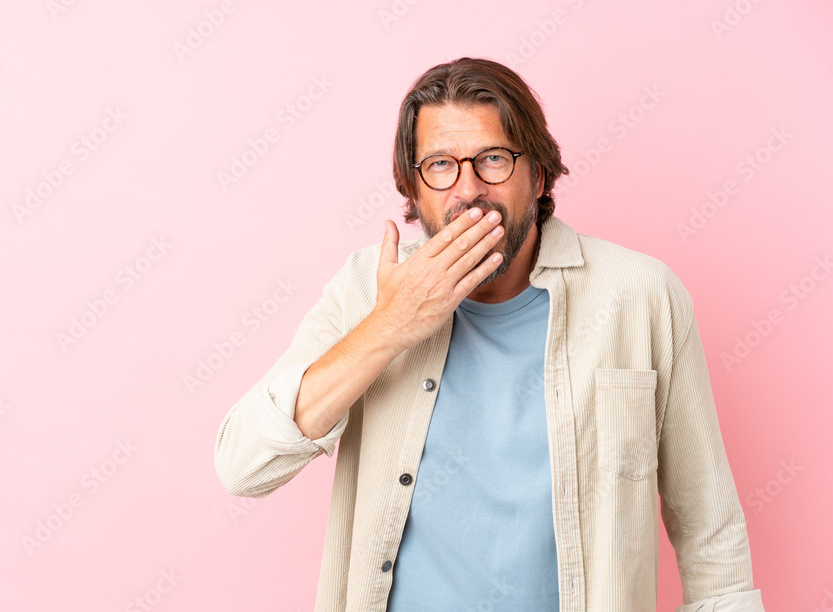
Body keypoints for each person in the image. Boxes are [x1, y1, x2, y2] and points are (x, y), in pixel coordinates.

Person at [214, 57, 763, 612]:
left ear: (539, 174)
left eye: (493, 159)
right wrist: (390, 326)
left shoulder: (640, 295)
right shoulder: (365, 289)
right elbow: (244, 465)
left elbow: (710, 534)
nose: (468, 190)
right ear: (413, 185)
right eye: (440, 165)